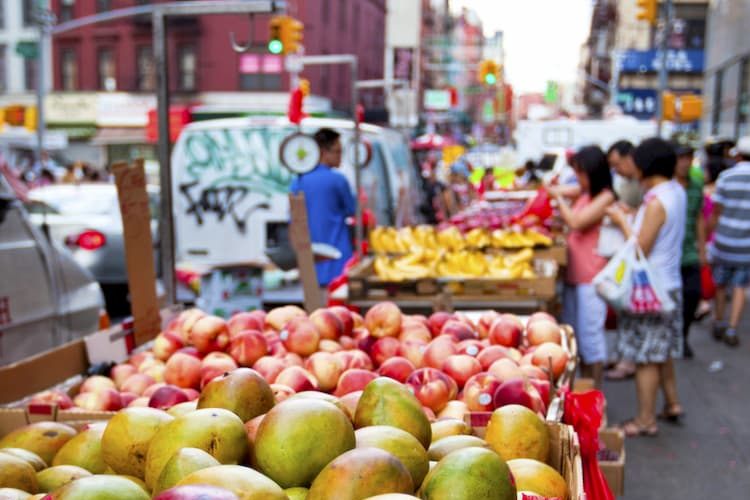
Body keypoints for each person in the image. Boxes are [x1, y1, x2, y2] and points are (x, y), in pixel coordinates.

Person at [607, 138, 686, 436]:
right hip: (669, 284)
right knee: (661, 351)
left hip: (650, 291)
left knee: (645, 359)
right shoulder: (675, 191)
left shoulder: (655, 201)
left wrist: (620, 220)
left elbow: (641, 247)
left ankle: (644, 420)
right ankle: (673, 403)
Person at [555, 146, 616, 388]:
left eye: (581, 173)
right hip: (574, 275)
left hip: (592, 276)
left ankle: (594, 391)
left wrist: (559, 200)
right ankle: (583, 385)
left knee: (591, 338)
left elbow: (577, 222)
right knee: (574, 336)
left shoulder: (606, 197)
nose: (578, 178)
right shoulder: (585, 194)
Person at [289, 128, 356, 289]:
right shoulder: (338, 180)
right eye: (338, 152)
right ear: (323, 152)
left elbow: (293, 220)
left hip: (309, 261)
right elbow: (352, 210)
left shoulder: (298, 182)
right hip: (338, 260)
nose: (341, 157)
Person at [708, 136, 750, 347]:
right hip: (746, 245)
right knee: (740, 286)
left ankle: (718, 321)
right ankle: (732, 327)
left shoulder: (726, 177)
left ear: (738, 155)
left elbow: (716, 211)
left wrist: (709, 233)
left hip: (724, 241)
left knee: (721, 284)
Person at [673, 143, 705, 358]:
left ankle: (682, 335)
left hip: (689, 252)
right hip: (670, 255)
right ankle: (674, 338)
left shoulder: (695, 186)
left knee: (693, 294)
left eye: (688, 158)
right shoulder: (668, 187)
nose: (685, 163)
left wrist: (702, 248)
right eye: (681, 158)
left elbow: (699, 217)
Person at [607, 140, 643, 210]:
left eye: (616, 164)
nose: (616, 170)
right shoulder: (623, 182)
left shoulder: (645, 182)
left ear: (629, 158)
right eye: (613, 166)